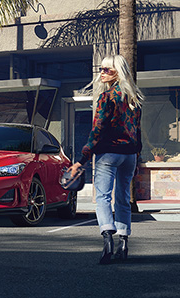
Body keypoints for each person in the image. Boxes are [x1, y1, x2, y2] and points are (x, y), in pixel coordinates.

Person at [68, 55, 144, 265]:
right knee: (122, 197)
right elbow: (137, 133)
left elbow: (97, 130)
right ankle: (124, 242)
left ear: (118, 73)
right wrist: (137, 157)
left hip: (109, 154)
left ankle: (107, 240)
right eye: (100, 69)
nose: (101, 72)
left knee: (102, 197)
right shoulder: (134, 99)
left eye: (107, 70)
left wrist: (81, 159)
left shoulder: (107, 97)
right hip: (129, 154)